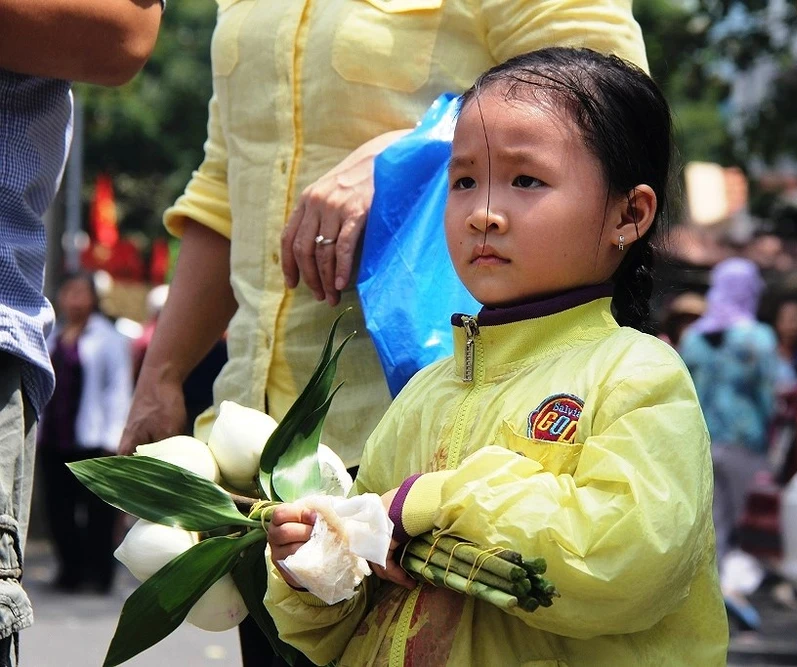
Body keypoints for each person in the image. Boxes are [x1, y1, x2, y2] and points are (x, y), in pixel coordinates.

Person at [116, 5, 647, 664]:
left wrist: (412, 154)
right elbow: (225, 189)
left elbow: (608, 99)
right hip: (261, 462)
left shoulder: (641, 380)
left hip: (437, 454)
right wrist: (163, 372)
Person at [263, 47, 727, 666]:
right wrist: (316, 570)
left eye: (526, 180)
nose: (483, 212)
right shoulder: (424, 394)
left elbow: (627, 561)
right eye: (462, 181)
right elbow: (349, 623)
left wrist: (425, 504)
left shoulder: (637, 376)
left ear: (628, 213)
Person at [0, 2, 160, 661]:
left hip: (88, 430)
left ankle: (90, 571)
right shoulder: (75, 337)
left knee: (89, 519)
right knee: (68, 520)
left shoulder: (108, 336)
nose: (71, 297)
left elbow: (122, 30)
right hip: (69, 427)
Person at [679, 258, 778, 629]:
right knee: (747, 523)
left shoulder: (692, 338)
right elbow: (768, 395)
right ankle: (739, 593)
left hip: (701, 441)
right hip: (745, 441)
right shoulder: (758, 338)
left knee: (713, 523)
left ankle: (715, 597)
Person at [37, 274, 133, 594]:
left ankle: (99, 573)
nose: (73, 299)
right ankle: (70, 570)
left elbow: (117, 390)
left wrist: (114, 438)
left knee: (98, 512)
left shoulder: (108, 338)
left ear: (92, 299)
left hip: (93, 439)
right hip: (55, 436)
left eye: (80, 293)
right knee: (59, 510)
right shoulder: (52, 334)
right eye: (68, 292)